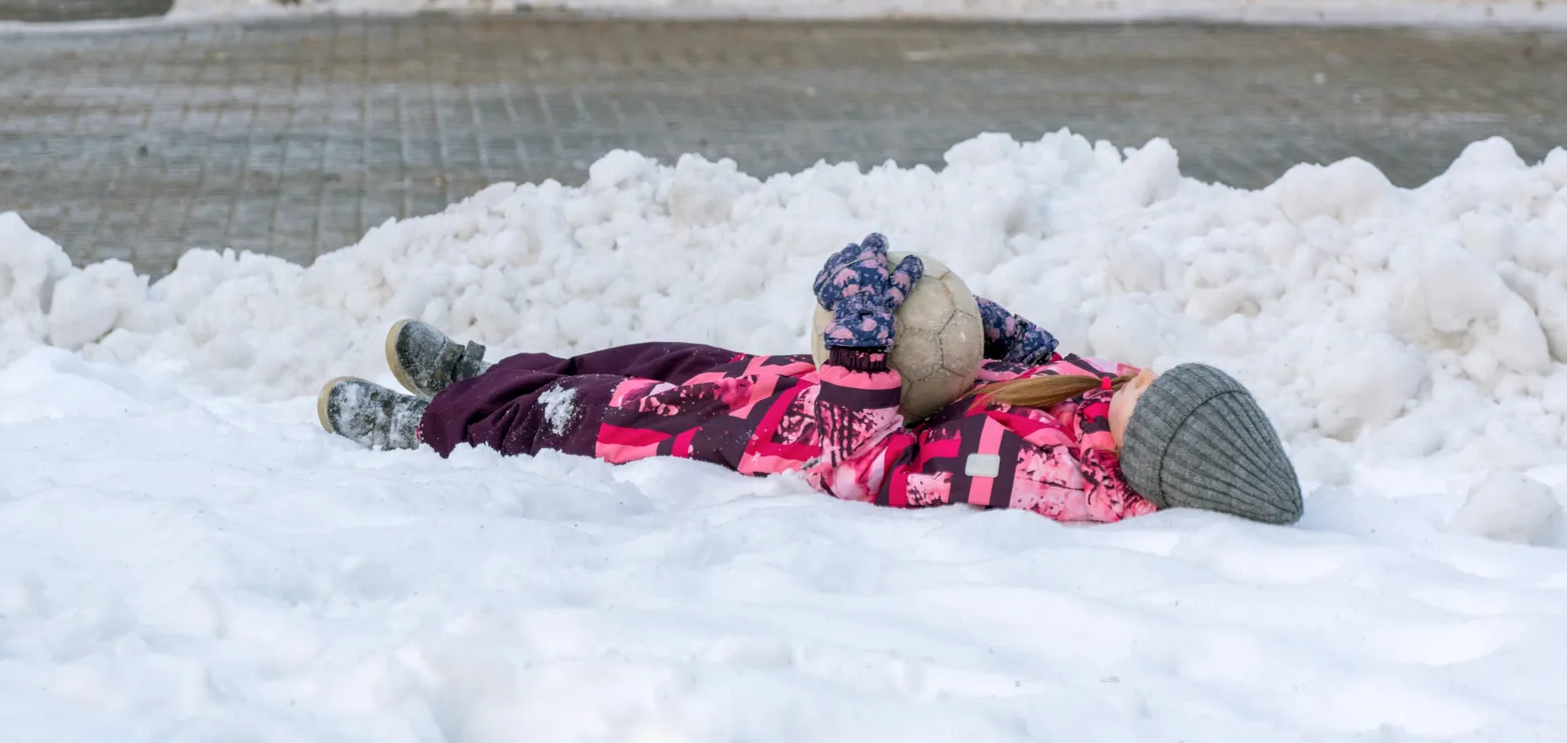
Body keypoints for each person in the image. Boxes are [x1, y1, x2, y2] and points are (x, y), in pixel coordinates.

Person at [318, 234, 1303, 526]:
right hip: (784, 383)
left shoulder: (1053, 476)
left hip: (772, 437)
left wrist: (868, 347)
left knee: (584, 420)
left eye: (1156, 389)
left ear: (1157, 446)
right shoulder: (1091, 396)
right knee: (636, 359)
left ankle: (429, 427)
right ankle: (486, 375)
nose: (1141, 373)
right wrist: (996, 329)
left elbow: (873, 466)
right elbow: (1029, 362)